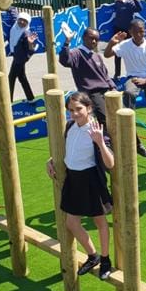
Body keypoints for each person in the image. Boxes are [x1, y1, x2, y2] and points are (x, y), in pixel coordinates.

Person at [46, 92, 114, 280]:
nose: (74, 114)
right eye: (71, 110)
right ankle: (93, 255)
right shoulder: (70, 126)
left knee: (100, 222)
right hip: (73, 179)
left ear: (89, 108)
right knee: (71, 222)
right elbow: (70, 150)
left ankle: (106, 259)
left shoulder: (96, 130)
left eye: (78, 109)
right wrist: (51, 160)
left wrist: (100, 142)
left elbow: (110, 163)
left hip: (90, 179)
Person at [59, 28, 146, 158]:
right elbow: (65, 60)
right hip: (92, 93)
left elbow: (105, 75)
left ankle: (137, 145)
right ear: (83, 38)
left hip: (108, 91)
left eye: (96, 39)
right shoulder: (77, 53)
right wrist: (67, 42)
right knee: (107, 120)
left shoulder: (96, 55)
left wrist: (113, 88)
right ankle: (112, 151)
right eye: (91, 38)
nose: (93, 41)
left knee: (125, 115)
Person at [104, 18, 146, 158]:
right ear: (130, 32)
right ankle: (135, 141)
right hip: (133, 77)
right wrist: (112, 42)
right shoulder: (125, 45)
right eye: (137, 31)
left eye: (143, 31)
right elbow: (107, 54)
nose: (141, 34)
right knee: (128, 95)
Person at [110, 0, 142, 79]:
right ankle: (117, 74)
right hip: (118, 30)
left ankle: (135, 72)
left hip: (129, 31)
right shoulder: (116, 3)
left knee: (132, 50)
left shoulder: (130, 2)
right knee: (117, 52)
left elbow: (139, 9)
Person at [7, 12, 38, 103]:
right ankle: (30, 98)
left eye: (25, 21)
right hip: (16, 55)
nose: (22, 22)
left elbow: (31, 50)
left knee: (11, 78)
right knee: (22, 77)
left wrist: (30, 43)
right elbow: (14, 14)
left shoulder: (26, 33)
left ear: (28, 23)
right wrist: (6, 5)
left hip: (20, 59)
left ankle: (8, 101)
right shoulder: (15, 26)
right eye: (20, 20)